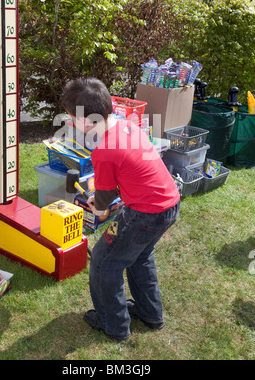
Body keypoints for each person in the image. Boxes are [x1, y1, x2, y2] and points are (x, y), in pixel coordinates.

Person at [61, 77, 180, 341]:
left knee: (104, 262)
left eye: (71, 117)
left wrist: (98, 206)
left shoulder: (104, 150)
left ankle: (113, 324)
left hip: (146, 214)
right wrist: (102, 200)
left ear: (83, 120)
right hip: (169, 202)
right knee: (139, 257)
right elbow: (117, 184)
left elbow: (103, 200)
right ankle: (150, 314)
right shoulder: (127, 126)